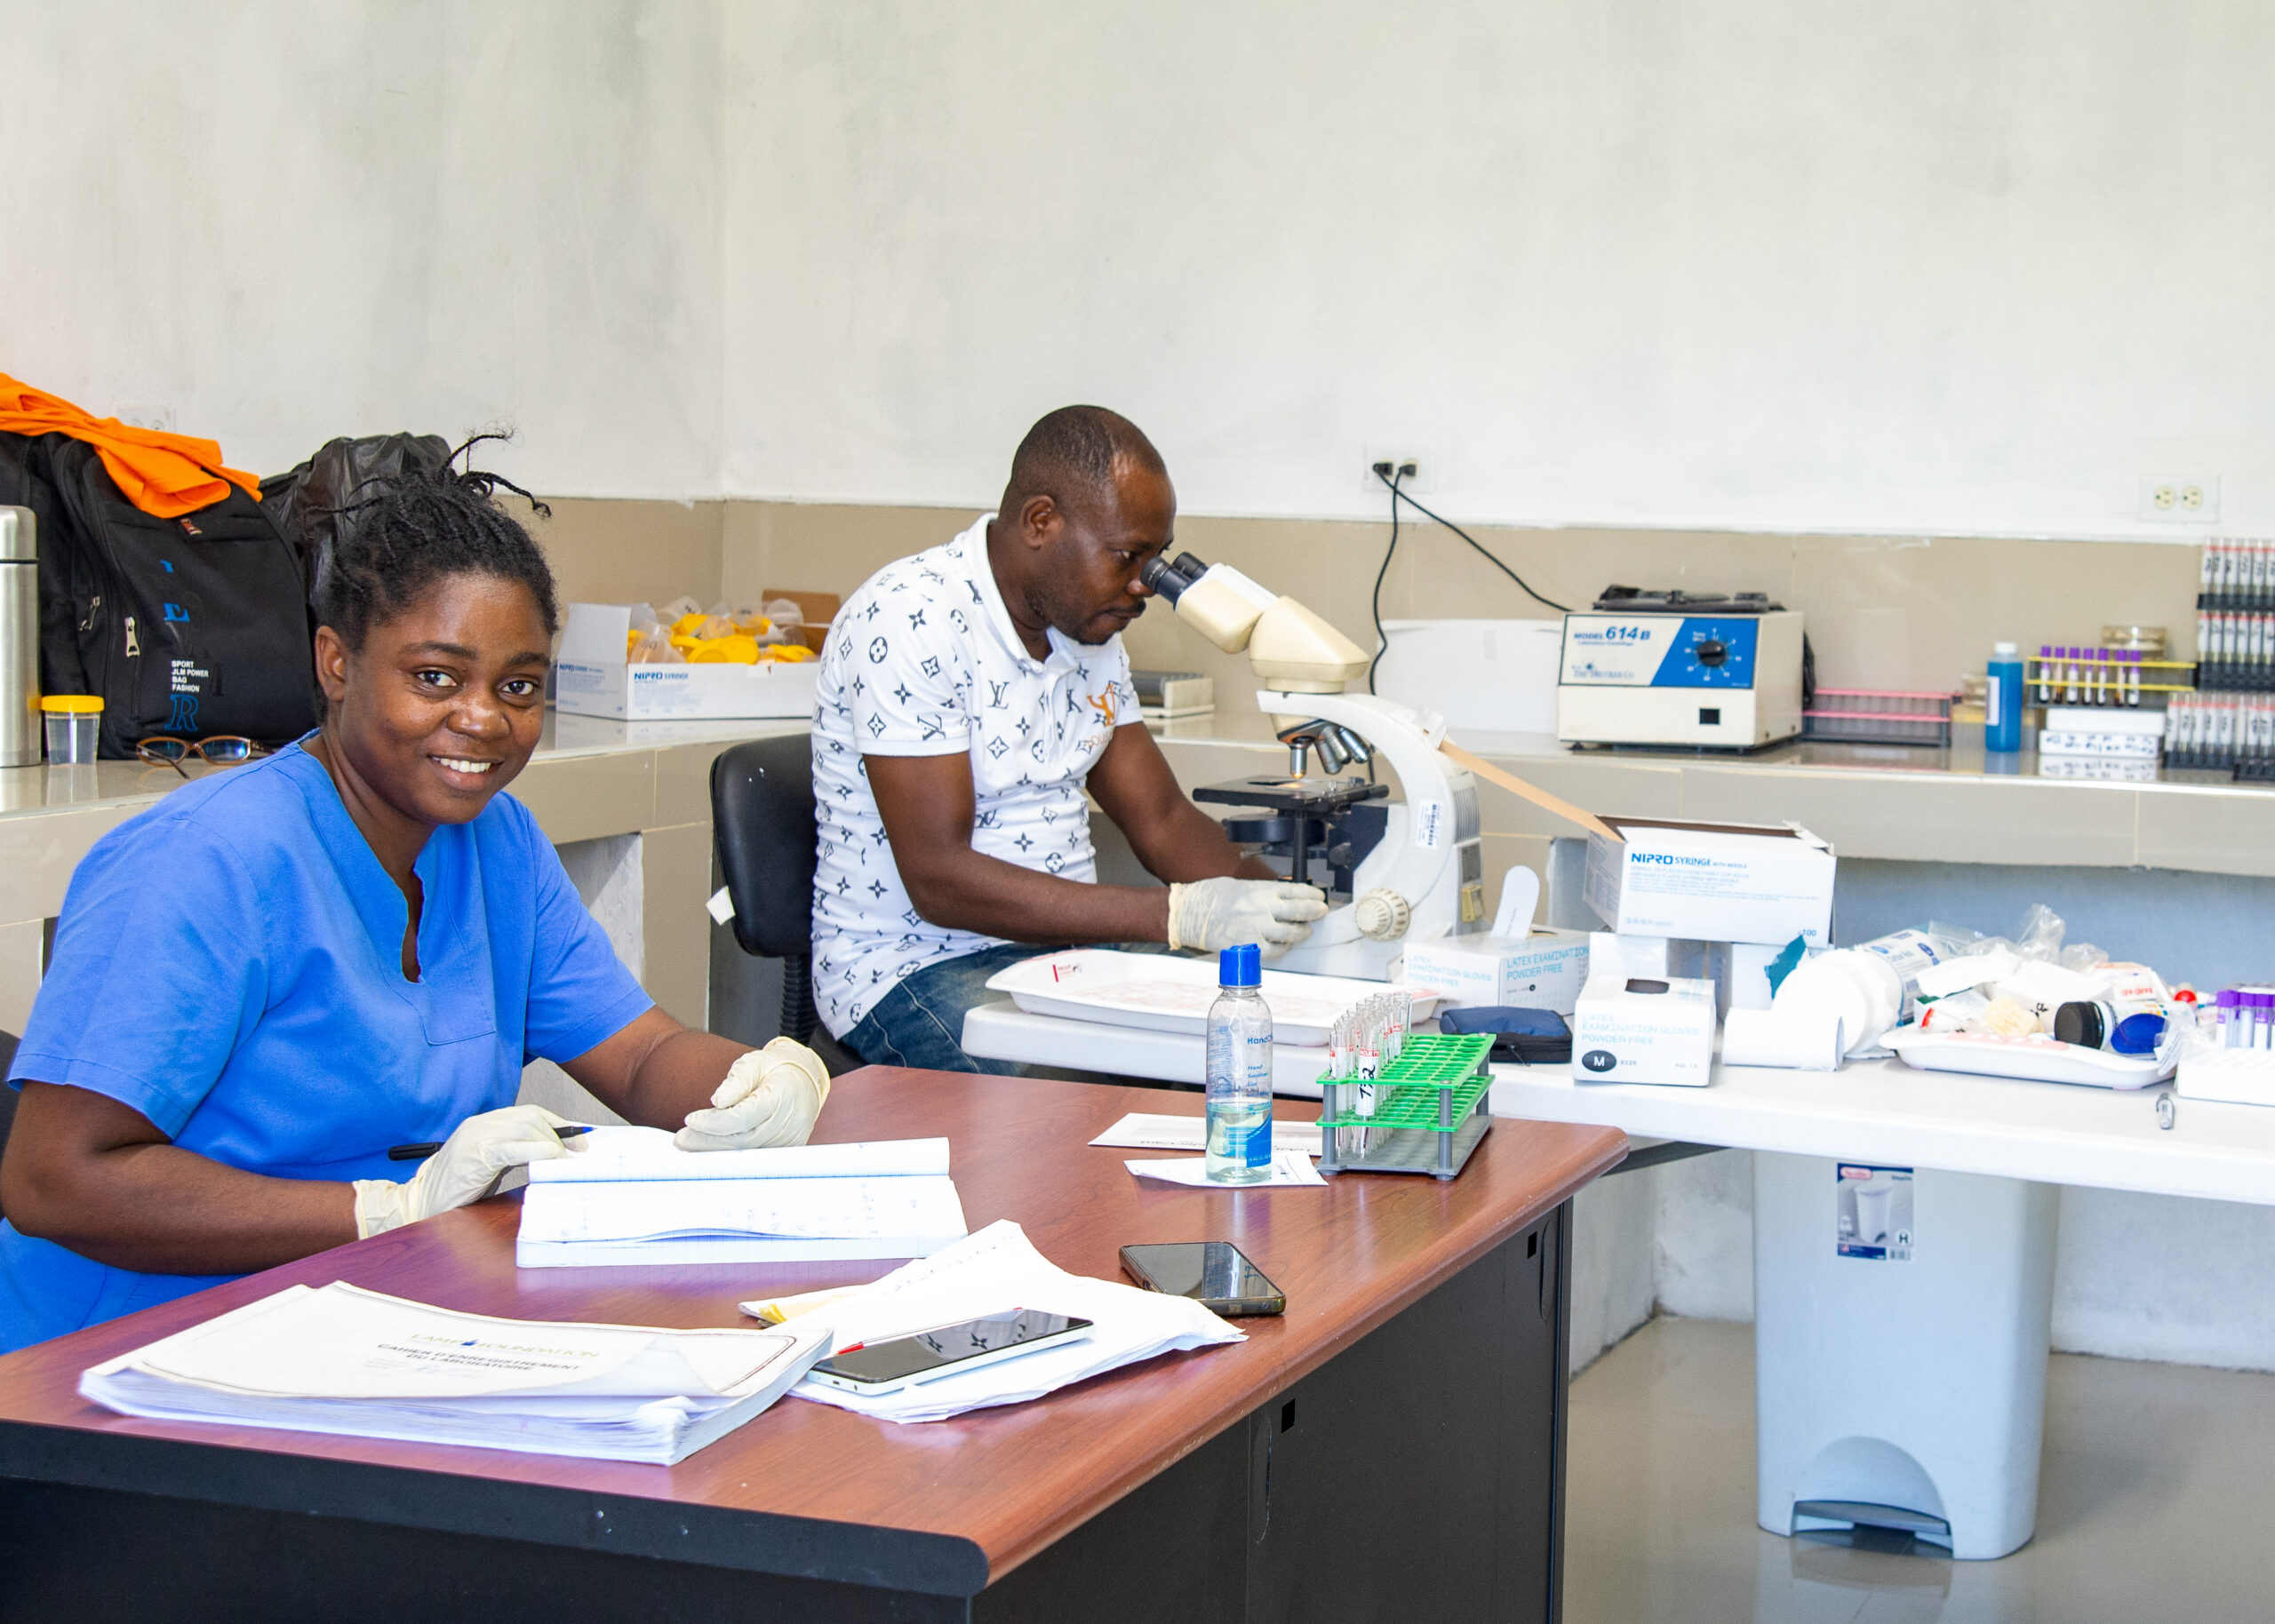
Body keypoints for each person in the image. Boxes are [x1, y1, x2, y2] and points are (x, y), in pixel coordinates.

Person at [0, 462, 829, 1353]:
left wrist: (759, 1081)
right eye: (436, 677)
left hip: (377, 1311)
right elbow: (54, 1181)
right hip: (127, 1359)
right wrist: (387, 1209)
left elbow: (640, 1054)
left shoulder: (497, 843)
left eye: (518, 686)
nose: (482, 718)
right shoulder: (205, 861)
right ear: (336, 663)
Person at [811, 405, 1329, 1071]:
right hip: (910, 971)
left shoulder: (1089, 633)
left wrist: (1297, 917)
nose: (1144, 585)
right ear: (1041, 521)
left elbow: (1164, 820)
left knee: (1255, 1032)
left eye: (1156, 558)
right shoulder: (913, 620)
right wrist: (1176, 916)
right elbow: (939, 878)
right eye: (1127, 555)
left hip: (1065, 959)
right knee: (1063, 1090)